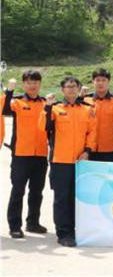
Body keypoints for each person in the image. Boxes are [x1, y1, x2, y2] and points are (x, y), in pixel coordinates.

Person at [40, 76, 97, 247]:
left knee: (77, 197)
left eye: (74, 86)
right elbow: (43, 127)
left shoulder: (87, 109)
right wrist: (47, 107)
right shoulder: (55, 108)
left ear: (79, 89)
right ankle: (64, 233)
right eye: (68, 86)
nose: (71, 89)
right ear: (62, 90)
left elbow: (92, 132)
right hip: (60, 161)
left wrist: (87, 151)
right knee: (62, 198)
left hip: (80, 162)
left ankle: (76, 230)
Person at [2, 72, 49, 239]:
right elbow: (4, 110)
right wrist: (9, 90)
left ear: (40, 84)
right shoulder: (17, 102)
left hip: (41, 154)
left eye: (35, 82)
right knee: (18, 190)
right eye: (29, 82)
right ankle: (15, 226)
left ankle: (33, 223)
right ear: (24, 84)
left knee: (37, 191)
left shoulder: (46, 103)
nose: (32, 85)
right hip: (21, 154)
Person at [83, 68, 113, 162]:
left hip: (109, 149)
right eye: (97, 80)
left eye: (103, 80)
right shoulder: (85, 100)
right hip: (88, 149)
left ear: (108, 82)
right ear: (93, 82)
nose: (100, 83)